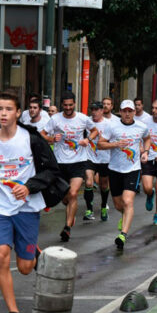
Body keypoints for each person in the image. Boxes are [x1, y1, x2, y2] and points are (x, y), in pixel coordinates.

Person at [0, 92, 58, 313]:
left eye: (9, 109)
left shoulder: (31, 139)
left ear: (18, 113)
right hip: (0, 207)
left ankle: (35, 254)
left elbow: (52, 170)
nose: (3, 113)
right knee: (0, 255)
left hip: (27, 208)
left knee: (25, 268)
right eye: (0, 109)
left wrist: (29, 186)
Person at [97, 100, 151, 252]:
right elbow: (100, 144)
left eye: (130, 111)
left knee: (128, 201)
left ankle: (123, 235)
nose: (127, 114)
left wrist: (145, 152)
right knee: (118, 205)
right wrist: (115, 144)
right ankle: (124, 217)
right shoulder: (111, 126)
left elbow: (147, 138)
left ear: (134, 112)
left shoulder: (141, 127)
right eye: (124, 111)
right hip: (114, 169)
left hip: (133, 169)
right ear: (120, 112)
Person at [41, 92, 94, 243]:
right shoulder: (55, 119)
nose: (68, 108)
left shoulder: (82, 118)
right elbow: (42, 134)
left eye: (71, 105)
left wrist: (87, 139)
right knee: (65, 198)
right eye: (66, 105)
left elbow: (95, 131)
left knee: (73, 193)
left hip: (78, 161)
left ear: (74, 104)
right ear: (62, 105)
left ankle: (67, 228)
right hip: (60, 162)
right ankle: (71, 213)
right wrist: (52, 138)